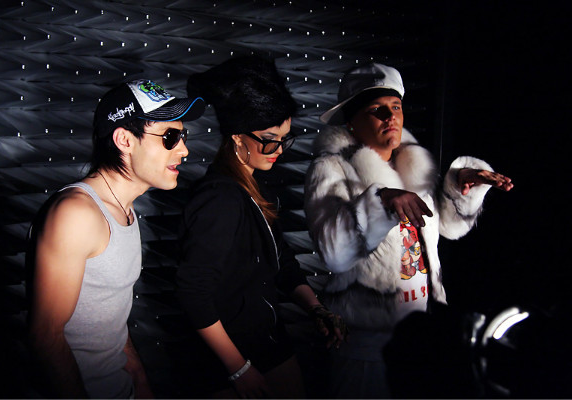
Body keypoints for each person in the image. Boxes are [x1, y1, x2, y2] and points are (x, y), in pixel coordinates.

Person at [303, 63, 513, 398]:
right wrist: (380, 201)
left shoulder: (412, 165)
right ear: (351, 122)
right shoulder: (331, 168)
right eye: (377, 110)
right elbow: (334, 253)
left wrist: (462, 187)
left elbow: (447, 228)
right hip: (367, 344)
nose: (390, 117)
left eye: (396, 107)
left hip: (422, 335)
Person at [175, 55, 347, 399]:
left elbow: (282, 262)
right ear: (238, 138)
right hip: (232, 362)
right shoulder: (219, 199)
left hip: (269, 347)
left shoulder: (253, 189)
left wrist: (315, 308)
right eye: (269, 139)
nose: (279, 150)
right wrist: (238, 367)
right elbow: (194, 293)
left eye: (284, 138)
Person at [25, 79, 205, 398]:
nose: (184, 149)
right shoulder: (76, 214)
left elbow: (112, 323)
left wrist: (140, 382)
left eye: (183, 136)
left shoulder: (123, 209)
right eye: (170, 137)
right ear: (124, 140)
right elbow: (45, 338)